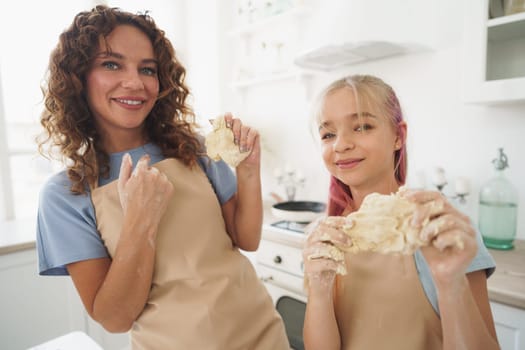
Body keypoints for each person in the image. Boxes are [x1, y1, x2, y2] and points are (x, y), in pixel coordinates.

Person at [35, 5, 289, 350]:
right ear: (78, 77)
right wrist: (141, 221)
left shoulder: (192, 149)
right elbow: (114, 318)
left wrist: (248, 172)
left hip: (262, 334)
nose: (135, 82)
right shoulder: (67, 193)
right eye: (112, 64)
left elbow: (246, 239)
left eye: (147, 69)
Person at [302, 75, 500, 350]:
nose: (341, 144)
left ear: (398, 136)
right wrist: (319, 290)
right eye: (328, 134)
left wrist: (451, 283)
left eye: (361, 126)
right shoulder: (326, 237)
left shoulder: (436, 225)